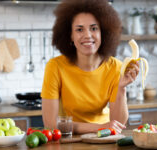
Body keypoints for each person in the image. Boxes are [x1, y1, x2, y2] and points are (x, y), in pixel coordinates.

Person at [41, 0, 139, 134]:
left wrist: (122, 88)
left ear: (103, 33)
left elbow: (118, 124)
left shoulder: (116, 67)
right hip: (69, 140)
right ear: (70, 35)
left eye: (94, 28)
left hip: (104, 138)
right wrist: (99, 127)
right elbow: (51, 124)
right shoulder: (55, 67)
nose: (87, 35)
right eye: (79, 29)